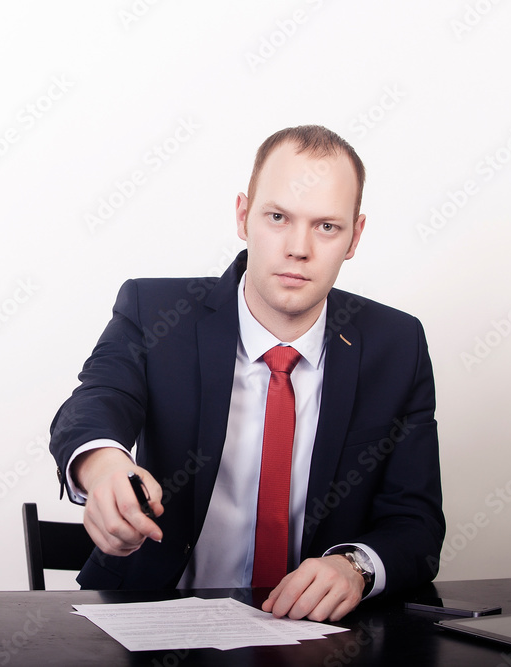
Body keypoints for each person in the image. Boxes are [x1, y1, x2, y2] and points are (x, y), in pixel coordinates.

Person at [49, 125, 445, 622]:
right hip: (154, 621)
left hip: (317, 638)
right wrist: (104, 467)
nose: (298, 248)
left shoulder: (396, 344)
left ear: (355, 237)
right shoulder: (155, 312)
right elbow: (95, 401)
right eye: (278, 217)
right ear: (243, 216)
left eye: (327, 226)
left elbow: (417, 524)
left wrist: (355, 567)